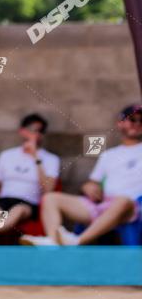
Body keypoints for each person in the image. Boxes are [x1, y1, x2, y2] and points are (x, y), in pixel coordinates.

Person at [23, 104, 142, 246]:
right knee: (50, 198)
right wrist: (89, 187)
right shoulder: (108, 155)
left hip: (132, 207)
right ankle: (53, 242)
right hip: (103, 206)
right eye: (133, 119)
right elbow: (93, 182)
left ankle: (77, 241)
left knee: (122, 200)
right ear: (120, 123)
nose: (138, 124)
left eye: (141, 121)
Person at [0, 113, 59, 244]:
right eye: (34, 130)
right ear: (22, 131)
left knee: (18, 210)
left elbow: (48, 189)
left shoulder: (50, 159)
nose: (37, 135)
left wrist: (36, 158)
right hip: (4, 199)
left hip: (28, 202)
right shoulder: (6, 155)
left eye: (41, 131)